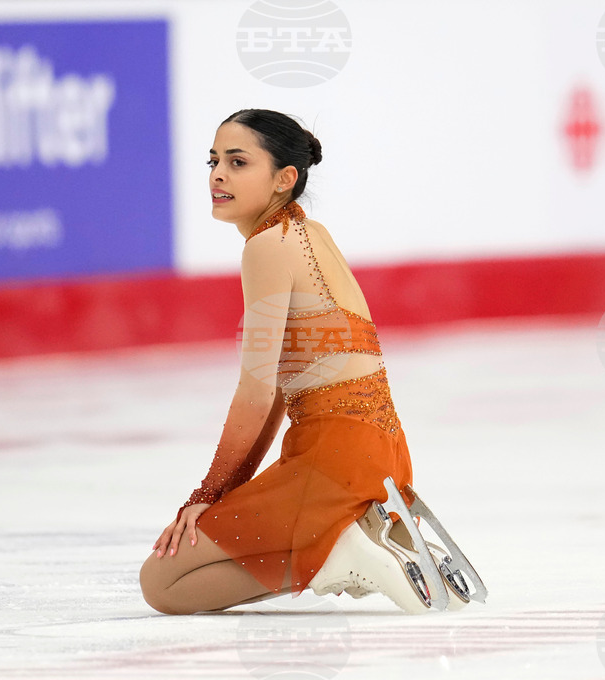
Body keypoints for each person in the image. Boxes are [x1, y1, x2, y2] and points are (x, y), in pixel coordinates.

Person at [139, 109, 452, 615]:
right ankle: (349, 544)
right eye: (213, 161)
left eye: (238, 162)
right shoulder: (311, 234)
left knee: (163, 583)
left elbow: (256, 392)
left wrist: (206, 494)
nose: (218, 175)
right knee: (178, 573)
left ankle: (335, 554)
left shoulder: (267, 247)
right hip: (384, 456)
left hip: (333, 460)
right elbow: (277, 398)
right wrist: (225, 493)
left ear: (284, 179)